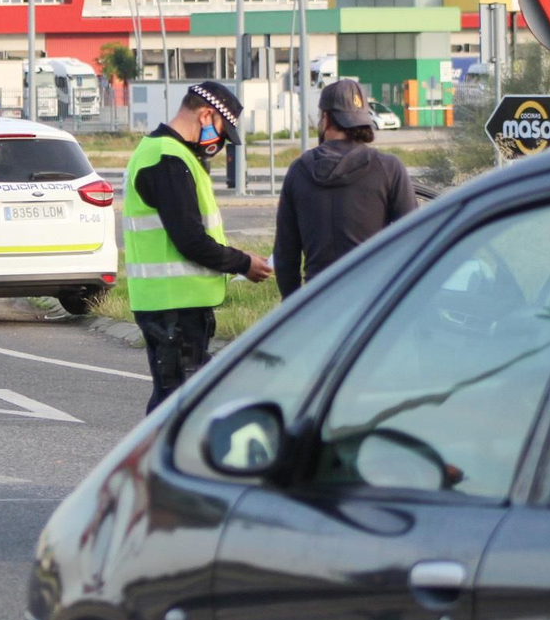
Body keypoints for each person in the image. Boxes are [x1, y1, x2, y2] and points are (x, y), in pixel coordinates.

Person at [123, 82, 272, 412]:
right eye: (221, 131)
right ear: (206, 115)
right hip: (173, 309)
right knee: (178, 406)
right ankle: (150, 463)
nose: (220, 142)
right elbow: (191, 240)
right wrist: (242, 262)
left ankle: (157, 462)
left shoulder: (172, 155)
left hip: (175, 306)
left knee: (178, 402)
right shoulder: (167, 159)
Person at [273, 79, 415, 298]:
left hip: (316, 302)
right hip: (372, 305)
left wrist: (294, 310)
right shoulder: (388, 168)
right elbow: (414, 241)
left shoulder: (298, 171)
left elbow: (285, 255)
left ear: (325, 118)